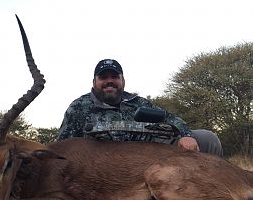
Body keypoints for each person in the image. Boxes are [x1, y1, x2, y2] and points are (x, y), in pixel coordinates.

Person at [58, 59, 223, 156]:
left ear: (123, 81)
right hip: (105, 168)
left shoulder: (138, 102)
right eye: (103, 77)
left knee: (207, 139)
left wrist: (186, 135)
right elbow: (64, 149)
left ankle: (218, 190)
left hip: (149, 157)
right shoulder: (78, 108)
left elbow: (170, 118)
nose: (109, 81)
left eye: (115, 77)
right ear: (94, 82)